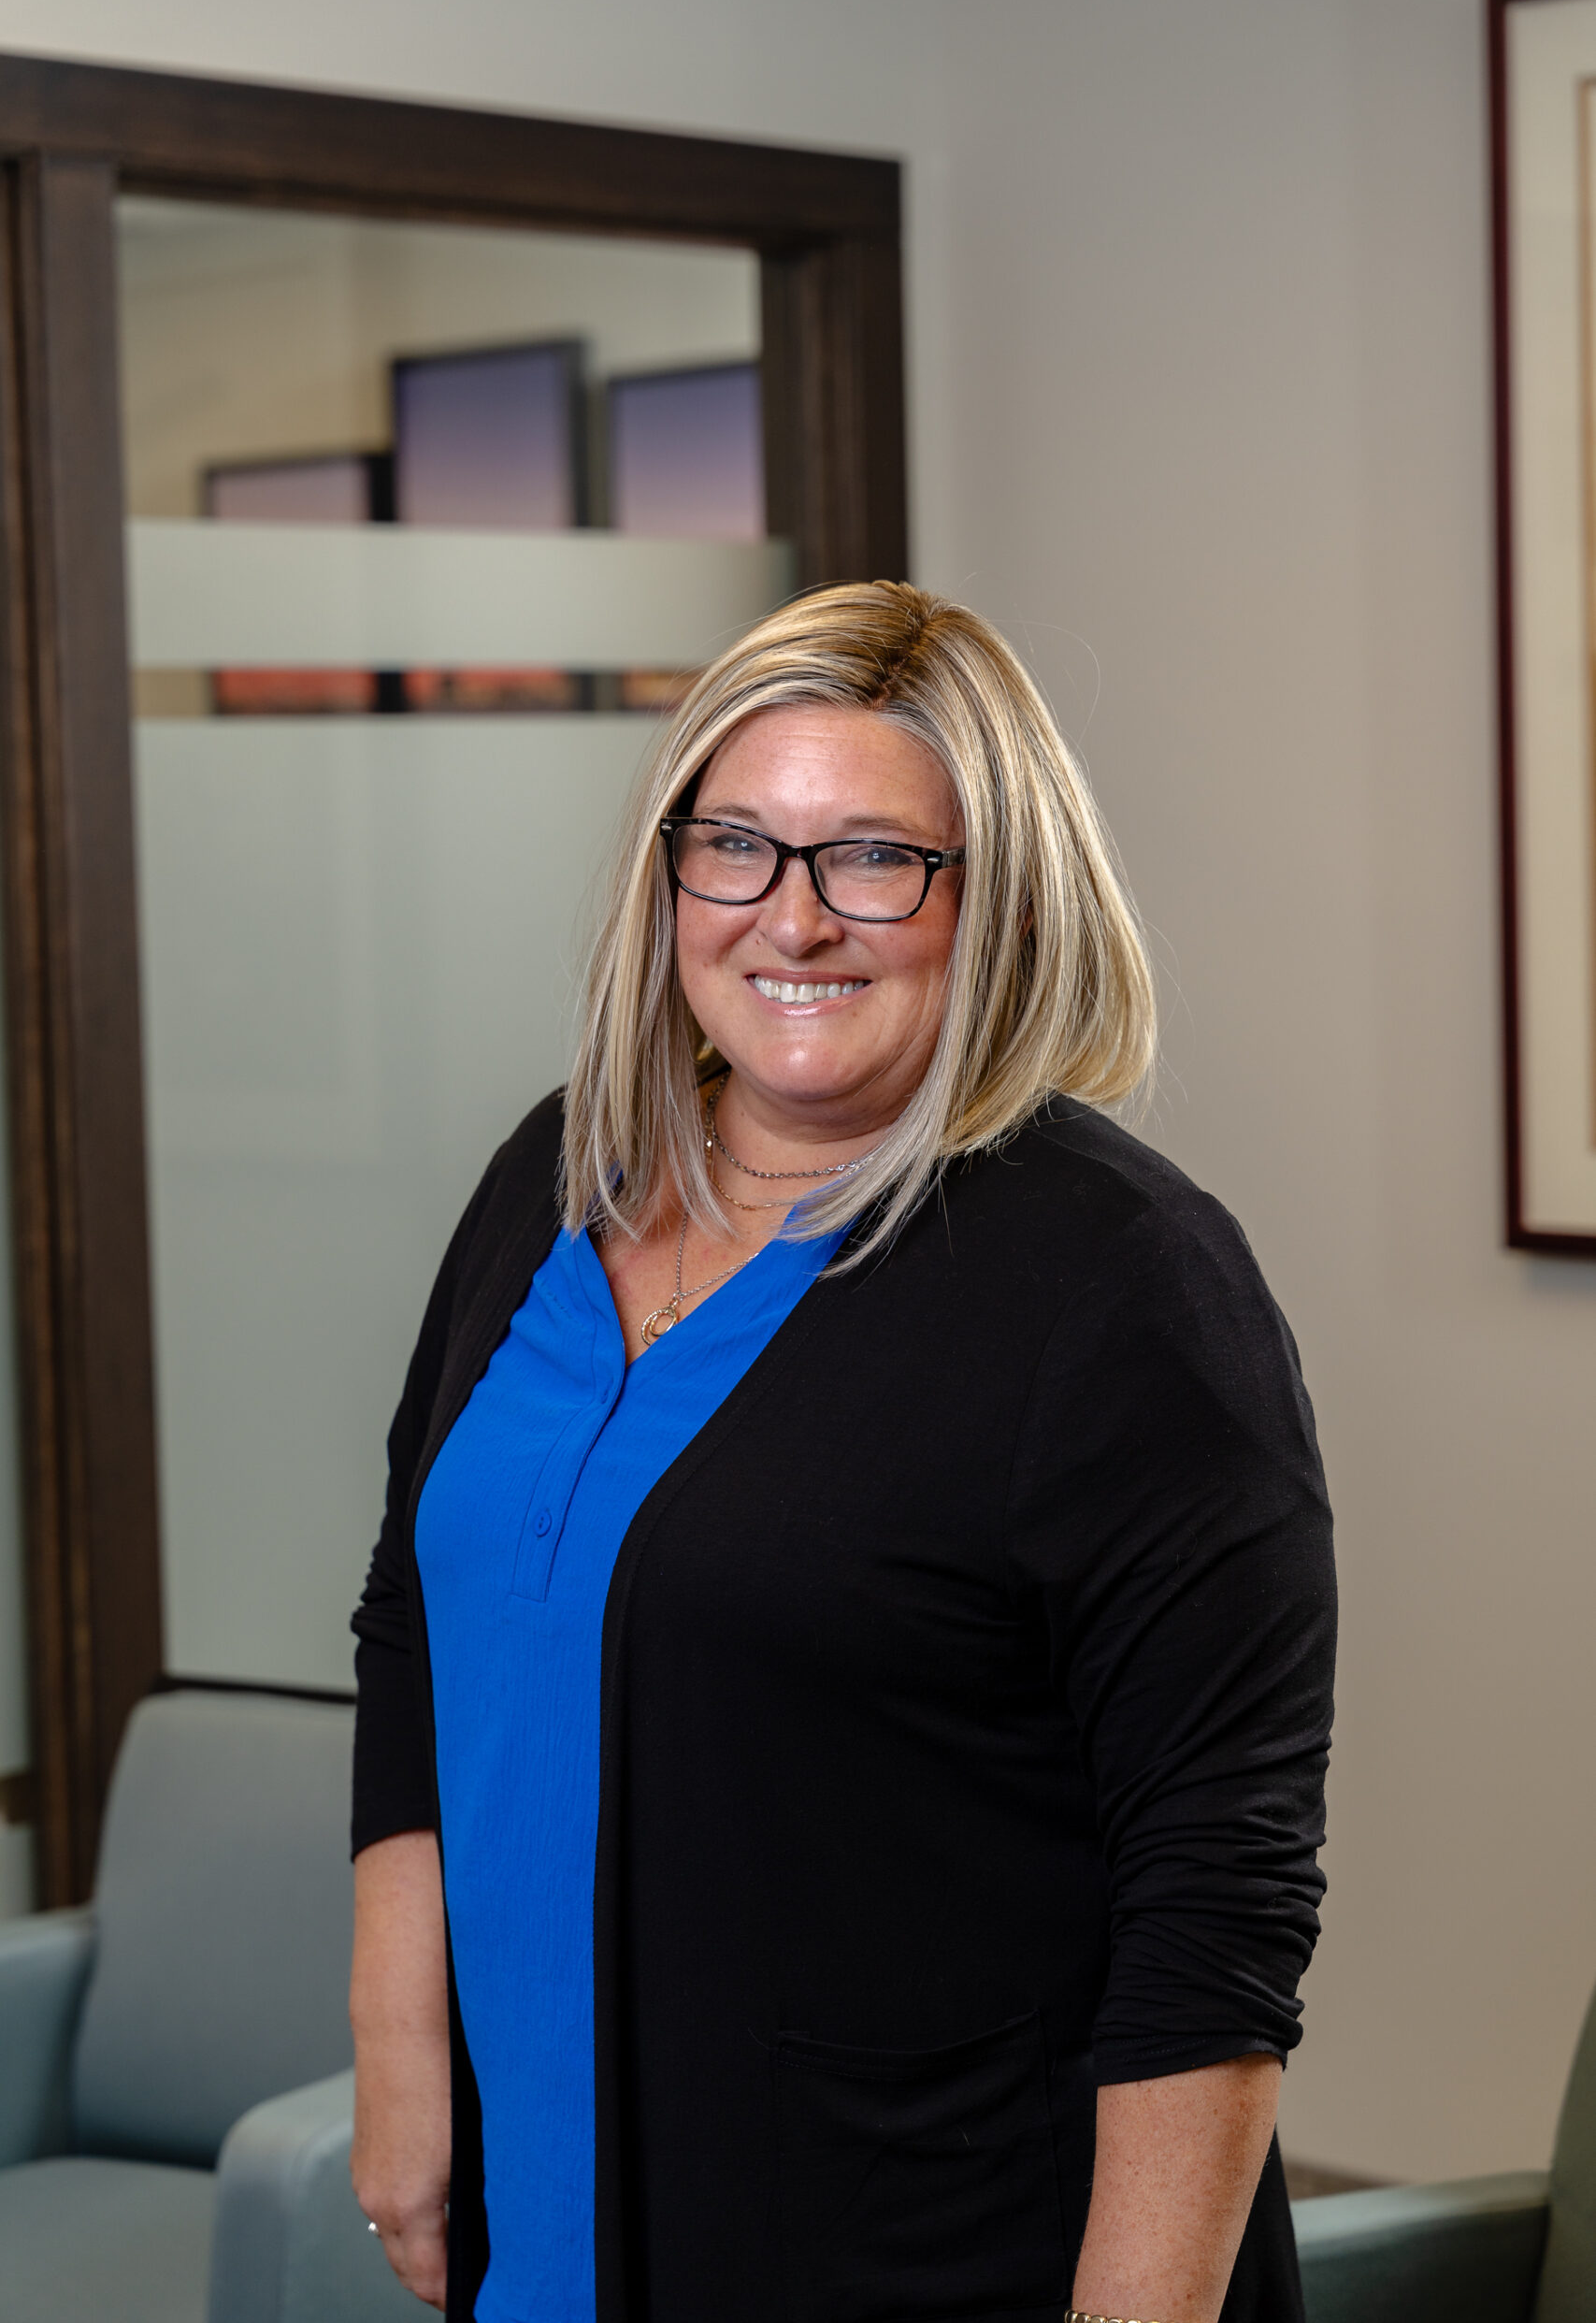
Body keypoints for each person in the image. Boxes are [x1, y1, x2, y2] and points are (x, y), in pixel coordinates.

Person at [349, 581, 1335, 2323]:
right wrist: (399, 2061)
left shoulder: (1119, 1286)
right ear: (670, 881)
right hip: (560, 2214)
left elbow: (1215, 1897)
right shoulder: (554, 1177)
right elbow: (415, 1630)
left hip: (927, 2246)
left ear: (998, 898)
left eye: (877, 859)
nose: (793, 921)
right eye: (736, 846)